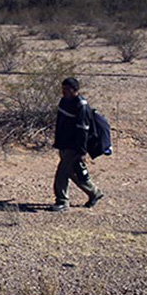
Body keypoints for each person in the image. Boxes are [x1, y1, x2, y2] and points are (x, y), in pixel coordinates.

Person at [51, 78, 104, 212]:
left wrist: (81, 151)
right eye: (63, 89)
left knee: (62, 173)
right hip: (63, 143)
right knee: (73, 172)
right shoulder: (64, 101)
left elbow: (83, 131)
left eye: (67, 89)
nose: (64, 92)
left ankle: (62, 202)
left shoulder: (82, 106)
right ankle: (94, 193)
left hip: (74, 147)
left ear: (75, 90)